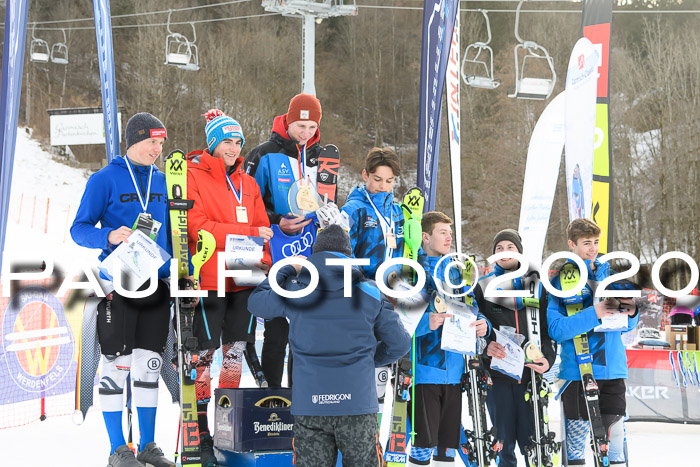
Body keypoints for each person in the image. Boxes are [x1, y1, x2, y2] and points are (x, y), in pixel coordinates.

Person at [247, 225, 412, 467]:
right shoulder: (371, 292)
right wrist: (370, 360)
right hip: (357, 404)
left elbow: (256, 304)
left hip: (309, 405)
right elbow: (400, 343)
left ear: (315, 255)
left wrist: (286, 268)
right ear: (348, 256)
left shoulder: (295, 288)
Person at [71, 113, 176, 467]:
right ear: (133, 141)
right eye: (151, 142)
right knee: (117, 366)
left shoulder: (164, 180)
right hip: (118, 284)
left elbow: (177, 232)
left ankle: (147, 445)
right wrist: (109, 235)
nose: (157, 149)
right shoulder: (105, 179)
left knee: (149, 366)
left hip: (156, 285)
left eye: (161, 143)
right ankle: (119, 449)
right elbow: (78, 229)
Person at [185, 109, 273, 466]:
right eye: (226, 141)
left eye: (238, 142)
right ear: (213, 143)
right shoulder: (193, 175)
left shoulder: (248, 184)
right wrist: (248, 234)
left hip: (243, 281)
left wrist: (263, 260)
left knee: (235, 353)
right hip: (208, 279)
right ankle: (202, 431)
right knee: (204, 357)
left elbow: (265, 230)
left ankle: (225, 421)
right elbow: (197, 226)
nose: (233, 148)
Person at [243, 93, 323, 388]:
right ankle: (272, 403)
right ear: (288, 121)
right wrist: (278, 221)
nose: (305, 134)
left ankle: (300, 409)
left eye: (312, 127)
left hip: (308, 256)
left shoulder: (321, 160)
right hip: (272, 254)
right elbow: (244, 203)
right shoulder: (264, 154)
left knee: (304, 337)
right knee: (277, 335)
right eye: (300, 126)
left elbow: (326, 201)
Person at [547, 218, 639, 465]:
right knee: (576, 449)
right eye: (586, 243)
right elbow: (556, 329)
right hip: (578, 373)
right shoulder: (558, 281)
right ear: (571, 244)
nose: (593, 248)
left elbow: (628, 324)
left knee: (616, 441)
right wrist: (594, 312)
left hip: (612, 370)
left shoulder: (612, 274)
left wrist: (632, 312)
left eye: (596, 242)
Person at [408, 211, 490, 467]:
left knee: (447, 450)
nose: (449, 237)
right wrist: (426, 323)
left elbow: (473, 308)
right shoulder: (411, 271)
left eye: (450, 233)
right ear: (425, 236)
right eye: (442, 232)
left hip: (455, 372)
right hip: (424, 372)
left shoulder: (458, 272)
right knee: (422, 446)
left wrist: (482, 325)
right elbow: (397, 320)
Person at [473, 229, 556, 467]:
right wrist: (485, 347)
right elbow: (474, 328)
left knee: (535, 446)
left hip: (530, 377)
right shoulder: (483, 286)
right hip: (497, 378)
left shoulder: (537, 286)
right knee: (503, 447)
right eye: (498, 248)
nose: (504, 252)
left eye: (510, 247)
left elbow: (548, 329)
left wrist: (548, 358)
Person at [340, 146, 406, 419]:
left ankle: (373, 430)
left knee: (386, 359)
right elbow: (342, 255)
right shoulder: (353, 210)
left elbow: (401, 253)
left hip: (388, 297)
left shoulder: (397, 212)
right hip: (361, 297)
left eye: (389, 181)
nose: (383, 186)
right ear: (365, 175)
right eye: (377, 179)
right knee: (359, 360)